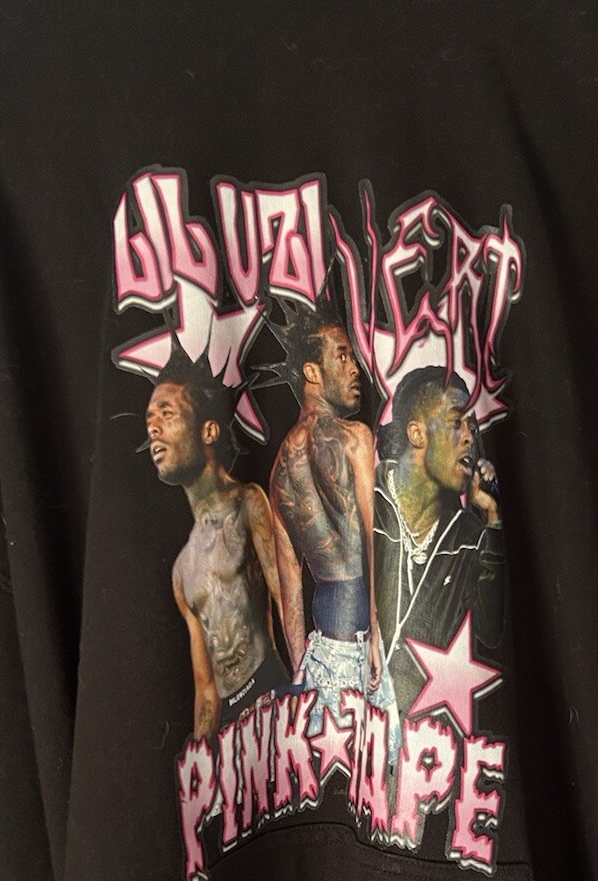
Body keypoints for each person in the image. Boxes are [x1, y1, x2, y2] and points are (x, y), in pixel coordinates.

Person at [267, 299, 400, 755]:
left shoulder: (279, 472)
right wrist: (376, 633)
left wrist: (299, 667)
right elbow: (374, 539)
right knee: (384, 771)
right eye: (341, 356)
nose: (354, 367)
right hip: (361, 641)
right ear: (311, 372)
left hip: (321, 652)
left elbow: (289, 580)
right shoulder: (355, 439)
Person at [145, 329, 286, 740]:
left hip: (271, 694)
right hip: (229, 727)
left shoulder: (248, 503)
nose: (154, 429)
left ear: (208, 432)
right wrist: (201, 759)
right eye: (149, 420)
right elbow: (206, 690)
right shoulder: (182, 568)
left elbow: (285, 598)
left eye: (167, 414)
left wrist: (305, 691)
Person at [373, 365, 506, 717]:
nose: (470, 438)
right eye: (455, 422)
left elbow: (490, 632)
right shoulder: (365, 504)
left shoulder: (470, 537)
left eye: (473, 428)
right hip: (354, 731)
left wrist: (493, 520)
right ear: (417, 434)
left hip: (427, 737)